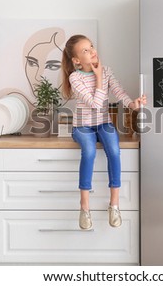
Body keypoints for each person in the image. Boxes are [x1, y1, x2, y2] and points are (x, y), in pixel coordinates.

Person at [61, 34, 146, 230]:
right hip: (82, 126)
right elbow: (96, 104)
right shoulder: (75, 77)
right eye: (85, 51)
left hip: (103, 124)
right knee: (89, 152)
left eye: (91, 47)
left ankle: (114, 204)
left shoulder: (106, 71)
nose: (92, 51)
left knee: (114, 152)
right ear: (76, 60)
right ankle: (84, 208)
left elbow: (120, 93)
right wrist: (98, 77)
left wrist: (134, 104)